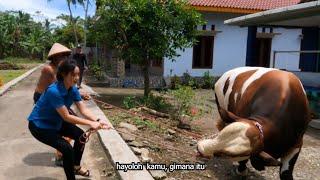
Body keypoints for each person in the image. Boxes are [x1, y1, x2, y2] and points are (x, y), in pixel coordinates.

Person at [28, 60, 110, 180]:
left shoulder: (73, 89)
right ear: (63, 74)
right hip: (40, 127)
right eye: (73, 75)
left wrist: (98, 120)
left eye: (78, 74)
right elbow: (66, 117)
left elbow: (83, 110)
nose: (77, 78)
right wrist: (91, 123)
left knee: (81, 136)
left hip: (56, 122)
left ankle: (76, 166)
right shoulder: (53, 91)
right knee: (67, 150)